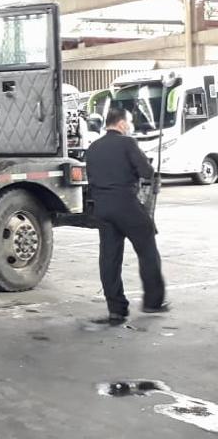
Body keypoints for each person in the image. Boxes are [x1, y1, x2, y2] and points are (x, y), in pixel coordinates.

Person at [84, 107, 168, 326]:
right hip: (126, 205)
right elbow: (146, 172)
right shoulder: (128, 143)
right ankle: (153, 302)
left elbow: (91, 178)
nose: (130, 126)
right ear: (121, 123)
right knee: (147, 249)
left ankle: (116, 310)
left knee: (109, 259)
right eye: (129, 122)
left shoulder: (93, 148)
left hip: (103, 208)